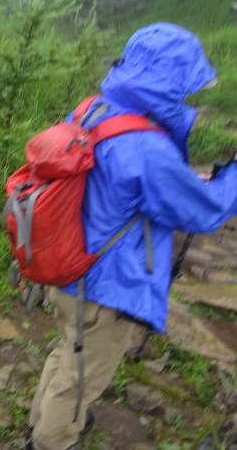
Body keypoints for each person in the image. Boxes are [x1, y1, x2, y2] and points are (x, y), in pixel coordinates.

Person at [25, 22, 237, 450]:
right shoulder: (145, 145)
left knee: (68, 356)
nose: (188, 95)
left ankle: (41, 423)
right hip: (106, 287)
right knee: (79, 378)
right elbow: (205, 209)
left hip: (68, 267)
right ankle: (49, 442)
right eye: (186, 83)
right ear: (167, 81)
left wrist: (178, 177)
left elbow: (112, 179)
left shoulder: (94, 111)